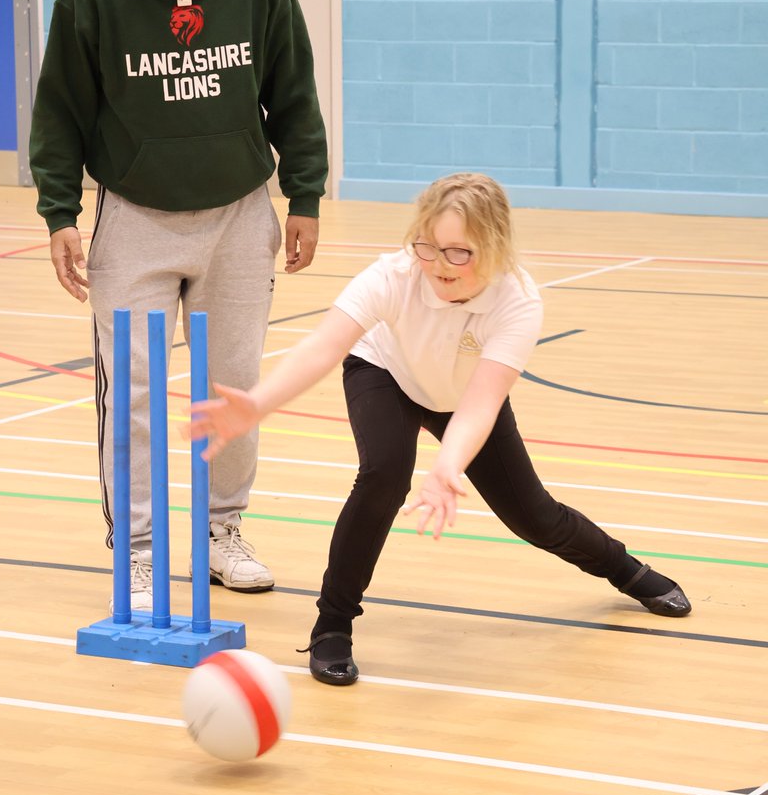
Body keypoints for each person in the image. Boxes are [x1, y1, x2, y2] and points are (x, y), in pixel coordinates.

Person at [185, 172, 692, 686]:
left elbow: (482, 401)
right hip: (386, 372)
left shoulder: (517, 301)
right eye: (427, 247)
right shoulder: (395, 275)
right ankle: (332, 625)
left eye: (459, 252)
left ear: (494, 246)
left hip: (462, 397)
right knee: (383, 476)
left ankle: (625, 569)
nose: (437, 265)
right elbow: (324, 345)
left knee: (534, 516)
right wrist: (258, 403)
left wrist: (448, 465)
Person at [29, 0, 328, 609]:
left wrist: (305, 194)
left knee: (231, 388)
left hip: (239, 217)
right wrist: (60, 211)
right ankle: (136, 547)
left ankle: (222, 529)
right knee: (131, 393)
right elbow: (58, 110)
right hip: (135, 220)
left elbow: (293, 95)